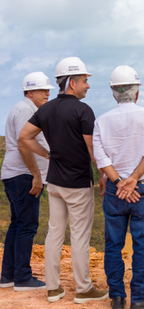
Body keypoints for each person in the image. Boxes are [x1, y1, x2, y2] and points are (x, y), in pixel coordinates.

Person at [18, 57, 108, 304]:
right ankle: (83, 289)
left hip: (55, 182)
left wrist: (48, 154)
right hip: (78, 183)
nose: (88, 86)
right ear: (72, 82)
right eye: (85, 81)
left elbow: (25, 136)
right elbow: (93, 150)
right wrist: (102, 174)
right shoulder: (83, 110)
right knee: (79, 236)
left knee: (54, 234)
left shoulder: (45, 109)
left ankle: (54, 289)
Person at [93, 65, 144, 309]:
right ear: (137, 92)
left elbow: (100, 157)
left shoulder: (101, 121)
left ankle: (117, 297)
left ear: (114, 92)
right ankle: (140, 297)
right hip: (143, 189)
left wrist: (119, 182)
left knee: (113, 245)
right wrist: (133, 179)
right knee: (142, 245)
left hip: (115, 190)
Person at [0, 72, 53, 291]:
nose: (47, 93)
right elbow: (24, 144)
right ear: (29, 91)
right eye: (42, 90)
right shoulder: (25, 110)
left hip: (17, 175)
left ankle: (9, 276)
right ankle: (22, 277)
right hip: (23, 176)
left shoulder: (26, 109)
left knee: (18, 224)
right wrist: (37, 176)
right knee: (27, 226)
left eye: (48, 89)